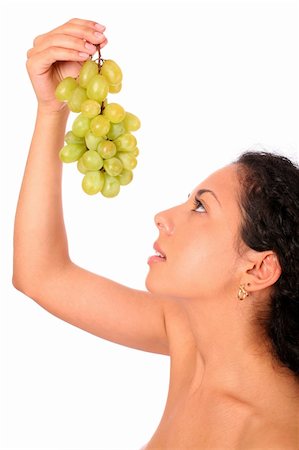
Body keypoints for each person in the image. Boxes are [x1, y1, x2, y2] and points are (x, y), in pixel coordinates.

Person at [13, 18, 299, 450]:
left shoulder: (274, 437)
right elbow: (39, 274)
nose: (163, 216)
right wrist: (53, 110)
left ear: (258, 267)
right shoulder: (189, 336)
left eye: (201, 206)